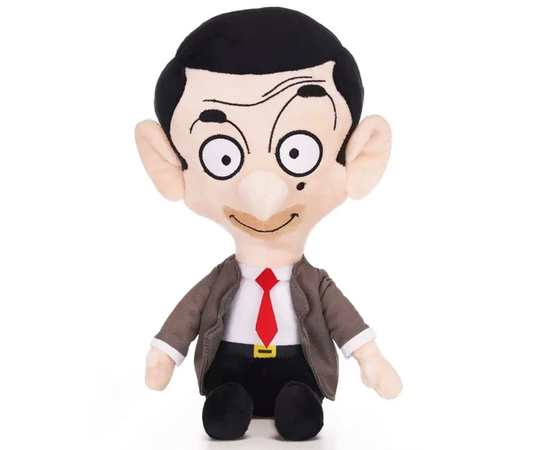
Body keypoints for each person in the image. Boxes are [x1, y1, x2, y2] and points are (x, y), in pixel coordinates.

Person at [136, 7, 402, 441]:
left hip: (298, 368)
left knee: (299, 414)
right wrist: (164, 352)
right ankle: (229, 399)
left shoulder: (316, 284)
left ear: (360, 161)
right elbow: (187, 315)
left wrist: (369, 358)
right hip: (230, 368)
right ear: (168, 168)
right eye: (223, 157)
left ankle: (296, 402)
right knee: (224, 413)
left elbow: (342, 320)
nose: (263, 196)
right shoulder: (219, 280)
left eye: (298, 152)